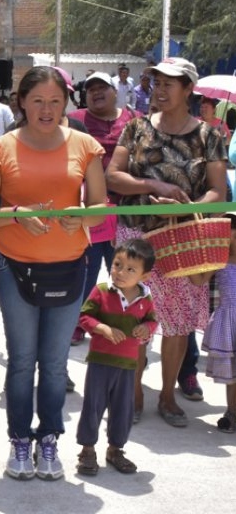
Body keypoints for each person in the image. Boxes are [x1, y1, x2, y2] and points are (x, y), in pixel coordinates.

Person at [0, 65, 107, 481]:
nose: (47, 109)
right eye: (37, 101)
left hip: (69, 269)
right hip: (15, 271)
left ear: (66, 102)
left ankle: (49, 440)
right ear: (22, 103)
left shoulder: (86, 145)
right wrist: (14, 214)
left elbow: (101, 206)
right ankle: (19, 442)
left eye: (55, 101)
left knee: (53, 363)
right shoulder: (0, 147)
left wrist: (81, 216)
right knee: (21, 360)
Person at [106, 57, 227, 428]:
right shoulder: (136, 127)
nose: (160, 88)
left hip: (183, 241)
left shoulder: (209, 136)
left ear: (189, 90)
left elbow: (217, 192)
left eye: (170, 82)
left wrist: (185, 206)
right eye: (156, 81)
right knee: (136, 318)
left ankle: (168, 396)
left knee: (177, 324)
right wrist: (152, 186)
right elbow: (113, 177)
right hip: (136, 237)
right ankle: (136, 393)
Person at [67, 71, 140, 347]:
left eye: (102, 88)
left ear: (115, 91)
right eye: (90, 90)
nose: (96, 93)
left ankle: (120, 323)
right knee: (84, 269)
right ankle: (77, 322)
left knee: (122, 269)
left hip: (126, 210)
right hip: (89, 207)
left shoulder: (132, 119)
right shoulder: (76, 120)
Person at [75, 239, 157, 477]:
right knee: (93, 406)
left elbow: (152, 320)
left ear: (146, 275)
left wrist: (147, 329)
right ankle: (87, 450)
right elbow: (85, 317)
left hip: (128, 364)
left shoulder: (145, 299)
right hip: (101, 362)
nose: (120, 272)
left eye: (130, 269)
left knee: (123, 409)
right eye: (117, 264)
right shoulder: (101, 291)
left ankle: (115, 449)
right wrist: (103, 329)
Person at [200, 213, 236, 433]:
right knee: (232, 373)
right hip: (228, 322)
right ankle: (231, 412)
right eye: (226, 231)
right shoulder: (219, 258)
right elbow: (198, 279)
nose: (230, 235)